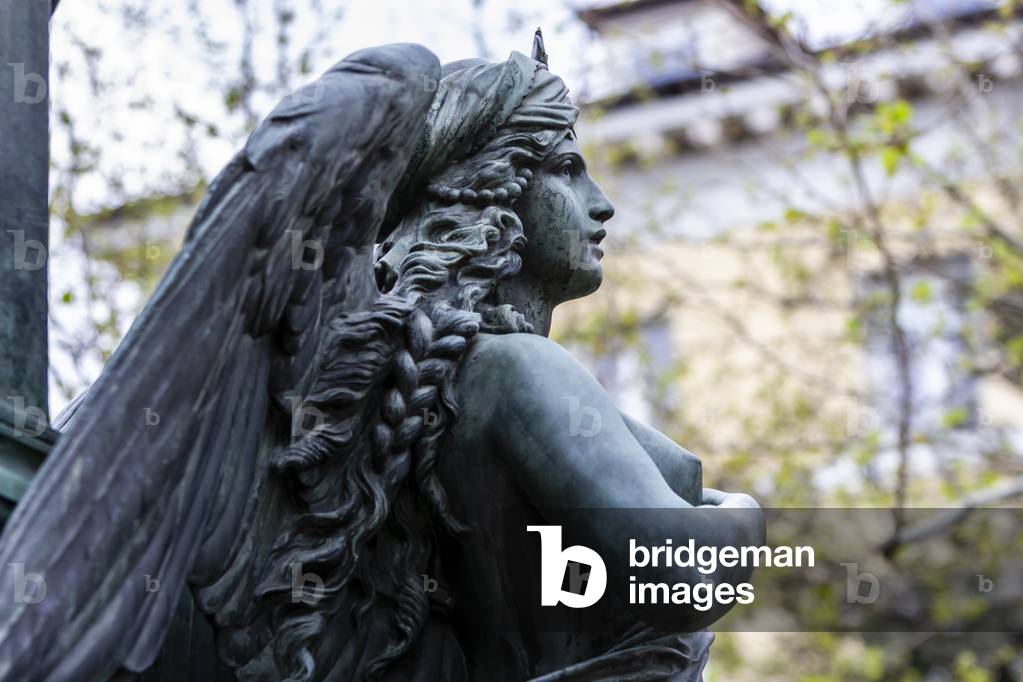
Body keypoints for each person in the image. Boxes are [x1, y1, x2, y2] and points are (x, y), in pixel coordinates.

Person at [267, 39, 766, 681]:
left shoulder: (419, 385)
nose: (601, 202)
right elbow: (683, 575)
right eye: (566, 168)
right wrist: (745, 513)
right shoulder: (517, 371)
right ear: (494, 189)